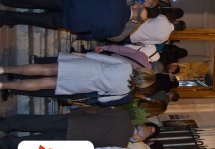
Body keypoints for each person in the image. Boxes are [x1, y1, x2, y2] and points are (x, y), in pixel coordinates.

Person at [0, 0, 147, 40]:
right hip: (73, 21)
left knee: (39, 0)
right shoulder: (117, 29)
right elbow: (94, 34)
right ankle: (6, 17)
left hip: (73, 0)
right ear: (134, 21)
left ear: (136, 6)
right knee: (37, 19)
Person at [0, 53, 154, 103]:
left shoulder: (125, 65)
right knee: (43, 84)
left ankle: (4, 69)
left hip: (85, 67)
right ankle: (4, 86)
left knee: (44, 68)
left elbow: (102, 58)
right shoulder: (124, 91)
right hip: (83, 84)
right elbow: (102, 99)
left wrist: (82, 55)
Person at [0, 107, 160, 149]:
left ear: (139, 125)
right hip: (74, 140)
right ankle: (7, 143)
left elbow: (96, 110)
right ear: (136, 138)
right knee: (37, 143)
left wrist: (76, 112)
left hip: (75, 121)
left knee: (40, 122)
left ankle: (6, 124)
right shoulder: (121, 145)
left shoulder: (123, 115)